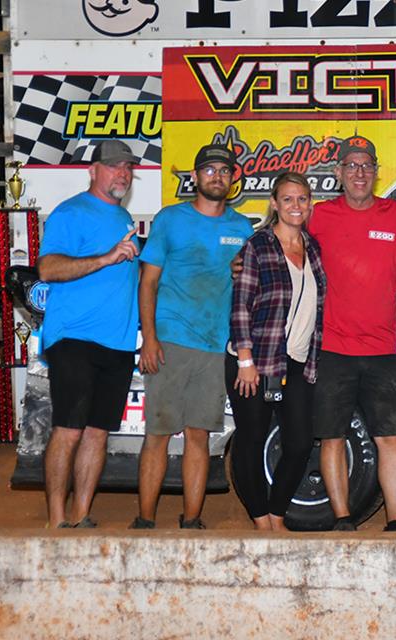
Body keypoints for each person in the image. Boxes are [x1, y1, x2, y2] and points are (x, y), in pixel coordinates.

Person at [309, 134, 396, 532]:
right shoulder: (319, 215)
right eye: (351, 165)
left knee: (390, 439)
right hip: (332, 349)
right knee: (332, 438)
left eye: (366, 166)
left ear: (375, 173)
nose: (359, 172)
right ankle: (342, 520)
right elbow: (285, 242)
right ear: (338, 173)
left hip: (383, 352)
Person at [129, 144, 253, 530]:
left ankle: (192, 520)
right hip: (170, 342)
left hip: (216, 347)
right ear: (195, 177)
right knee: (159, 434)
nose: (218, 176)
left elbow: (249, 283)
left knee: (198, 436)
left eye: (225, 171)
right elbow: (147, 282)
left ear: (234, 180)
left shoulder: (242, 228)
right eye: (210, 170)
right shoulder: (170, 219)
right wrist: (149, 338)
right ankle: (145, 521)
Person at [37, 139, 141, 528]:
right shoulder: (71, 212)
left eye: (128, 168)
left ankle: (81, 515)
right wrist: (105, 258)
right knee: (69, 430)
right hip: (75, 339)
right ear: (93, 170)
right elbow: (47, 269)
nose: (123, 174)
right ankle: (56, 519)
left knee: (97, 433)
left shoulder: (123, 220)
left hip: (117, 342)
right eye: (114, 166)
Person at [228, 172, 325, 531]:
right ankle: (260, 519)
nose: (295, 206)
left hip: (297, 363)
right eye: (287, 199)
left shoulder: (314, 249)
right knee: (250, 441)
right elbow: (240, 306)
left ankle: (277, 513)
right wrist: (245, 360)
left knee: (299, 443)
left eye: (302, 199)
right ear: (274, 203)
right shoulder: (257, 246)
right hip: (254, 361)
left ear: (309, 204)